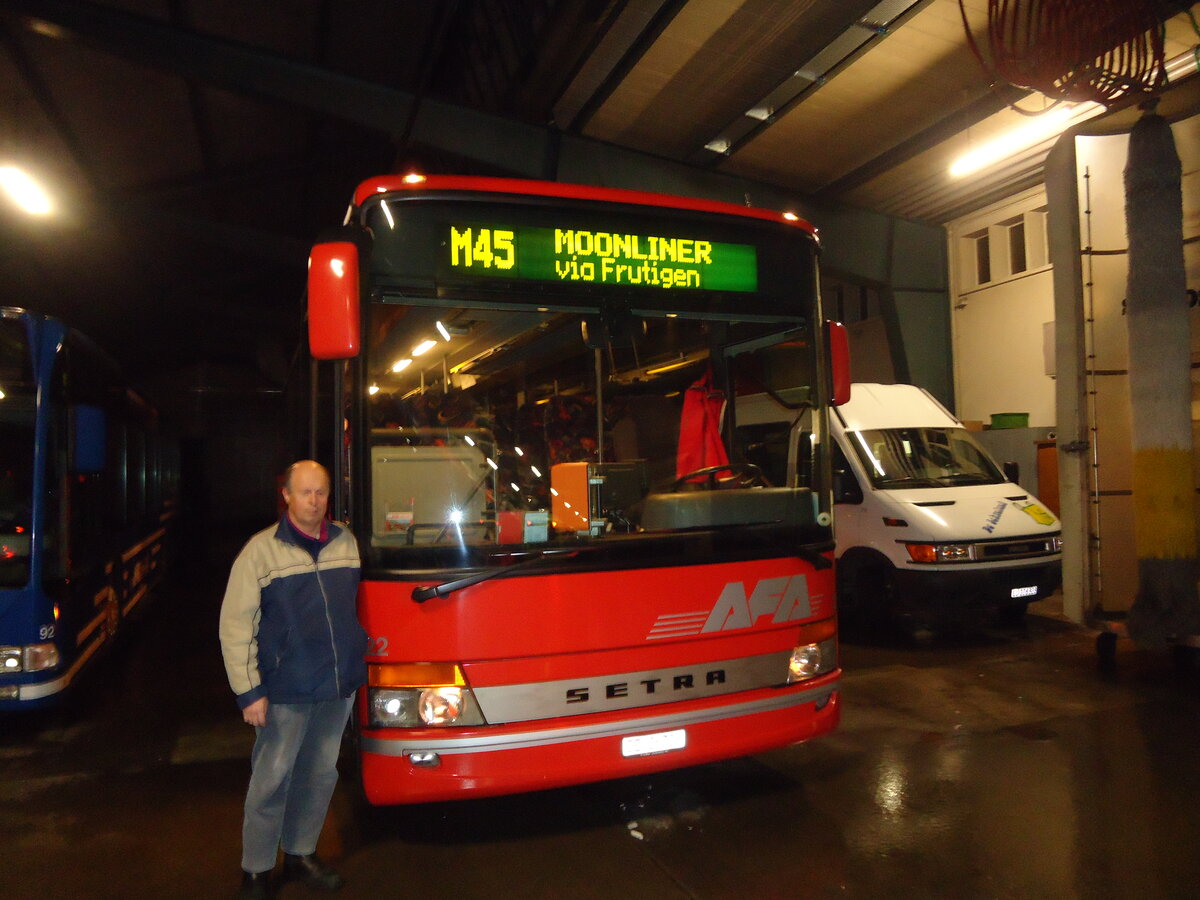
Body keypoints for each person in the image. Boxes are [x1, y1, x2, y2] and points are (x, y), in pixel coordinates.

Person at [219, 460, 367, 898]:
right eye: (305, 492)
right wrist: (249, 692)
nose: (315, 500)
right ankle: (257, 871)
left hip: (336, 686)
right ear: (286, 495)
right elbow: (235, 626)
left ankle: (300, 854)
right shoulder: (260, 552)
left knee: (320, 774)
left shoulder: (346, 542)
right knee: (272, 779)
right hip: (285, 689)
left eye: (321, 492)